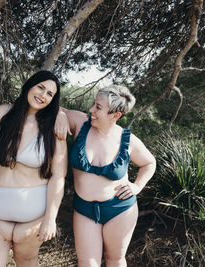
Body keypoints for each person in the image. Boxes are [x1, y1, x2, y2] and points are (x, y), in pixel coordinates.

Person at [0, 70, 67, 267]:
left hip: (32, 219)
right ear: (29, 85)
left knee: (26, 263)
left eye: (50, 94)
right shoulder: (2, 113)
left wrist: (51, 217)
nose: (43, 95)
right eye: (41, 87)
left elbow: (58, 176)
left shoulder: (53, 127)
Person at [55, 85, 156, 267]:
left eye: (98, 108)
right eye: (94, 104)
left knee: (115, 260)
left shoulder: (128, 140)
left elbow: (149, 163)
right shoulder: (80, 122)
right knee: (87, 263)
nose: (92, 110)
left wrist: (137, 186)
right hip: (85, 210)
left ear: (115, 115)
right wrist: (61, 116)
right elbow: (52, 108)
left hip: (120, 209)